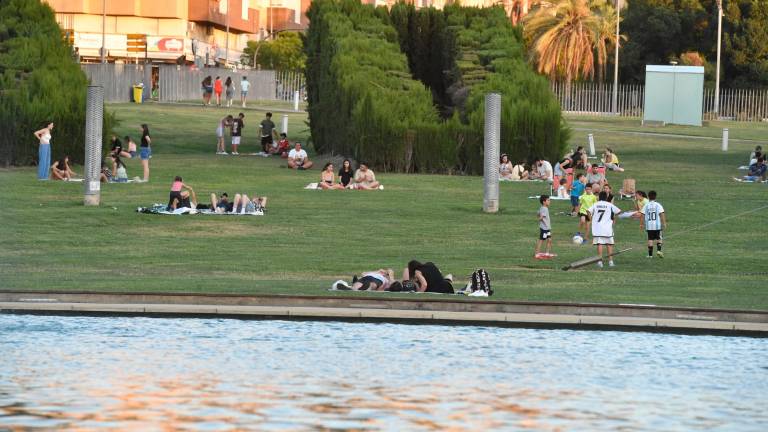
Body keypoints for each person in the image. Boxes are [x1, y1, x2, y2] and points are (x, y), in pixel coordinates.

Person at [587, 191, 622, 268]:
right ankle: (611, 262)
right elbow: (619, 211)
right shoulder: (609, 205)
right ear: (606, 197)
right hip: (607, 228)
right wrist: (612, 216)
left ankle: (600, 262)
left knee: (599, 244)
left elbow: (588, 211)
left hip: (597, 228)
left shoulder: (596, 204)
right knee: (609, 244)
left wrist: (591, 219)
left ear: (599, 197)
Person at [641, 190, 667, 259]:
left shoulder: (646, 205)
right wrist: (664, 223)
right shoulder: (658, 205)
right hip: (657, 225)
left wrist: (642, 224)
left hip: (649, 225)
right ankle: (659, 250)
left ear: (648, 197)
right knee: (659, 238)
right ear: (655, 197)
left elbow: (642, 215)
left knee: (650, 239)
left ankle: (650, 255)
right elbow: (662, 214)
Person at [534, 194, 554, 259]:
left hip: (547, 228)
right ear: (544, 202)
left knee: (549, 240)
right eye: (548, 200)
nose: (549, 201)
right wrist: (540, 219)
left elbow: (538, 213)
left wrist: (539, 217)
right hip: (545, 228)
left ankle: (547, 253)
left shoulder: (542, 207)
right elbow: (541, 217)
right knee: (541, 240)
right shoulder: (545, 209)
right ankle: (537, 254)